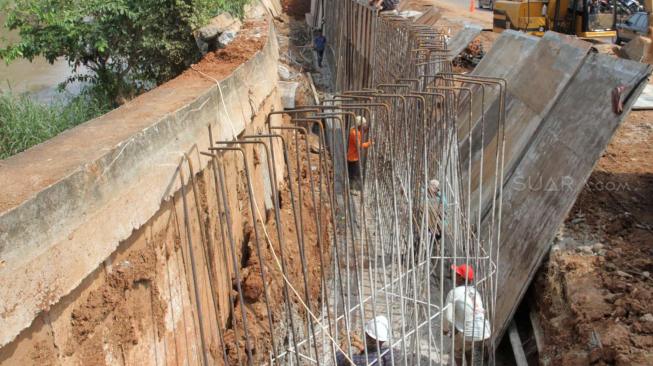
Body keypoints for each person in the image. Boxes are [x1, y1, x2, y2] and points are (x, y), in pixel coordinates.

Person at [443, 264, 491, 366]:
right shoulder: (475, 292)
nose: (455, 275)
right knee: (469, 350)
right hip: (481, 330)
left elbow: (447, 316)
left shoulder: (453, 293)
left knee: (458, 350)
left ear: (461, 278)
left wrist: (446, 330)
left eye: (457, 274)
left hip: (466, 332)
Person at [336, 316, 401, 365]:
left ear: (366, 335)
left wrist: (343, 344)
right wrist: (362, 348)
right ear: (383, 340)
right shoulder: (395, 352)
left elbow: (339, 359)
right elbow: (374, 355)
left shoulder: (360, 361)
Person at [347, 116, 372, 191]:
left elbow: (362, 132)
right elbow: (359, 146)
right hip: (352, 158)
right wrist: (369, 143)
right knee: (353, 174)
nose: (364, 125)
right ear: (359, 125)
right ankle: (351, 189)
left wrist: (368, 128)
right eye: (363, 124)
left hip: (353, 156)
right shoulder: (354, 133)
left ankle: (351, 187)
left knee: (354, 173)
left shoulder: (355, 130)